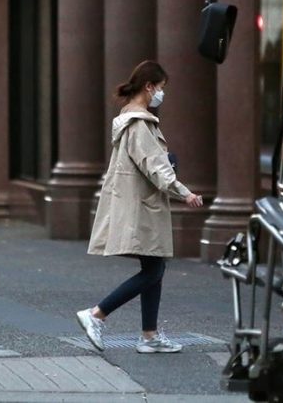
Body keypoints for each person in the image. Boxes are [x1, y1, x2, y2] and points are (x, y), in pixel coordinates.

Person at [77, 60, 203, 353]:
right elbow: (155, 166)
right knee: (153, 270)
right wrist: (184, 192)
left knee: (154, 265)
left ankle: (149, 336)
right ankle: (96, 314)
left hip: (141, 203)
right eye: (160, 88)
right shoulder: (140, 123)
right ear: (149, 87)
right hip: (144, 206)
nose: (161, 94)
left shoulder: (129, 120)